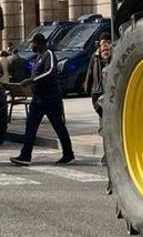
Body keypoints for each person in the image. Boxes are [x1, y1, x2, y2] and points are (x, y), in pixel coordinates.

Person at [11, 34, 74, 166]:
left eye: (32, 43)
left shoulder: (48, 54)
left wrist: (32, 80)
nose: (31, 46)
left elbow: (50, 71)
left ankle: (68, 153)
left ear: (38, 43)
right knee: (30, 126)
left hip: (51, 97)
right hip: (38, 97)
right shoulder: (37, 57)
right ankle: (25, 155)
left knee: (58, 125)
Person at [84, 37, 113, 115]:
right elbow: (90, 72)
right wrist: (87, 87)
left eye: (107, 50)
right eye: (103, 50)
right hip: (98, 89)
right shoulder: (95, 58)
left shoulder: (114, 59)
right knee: (98, 108)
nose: (105, 52)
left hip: (110, 89)